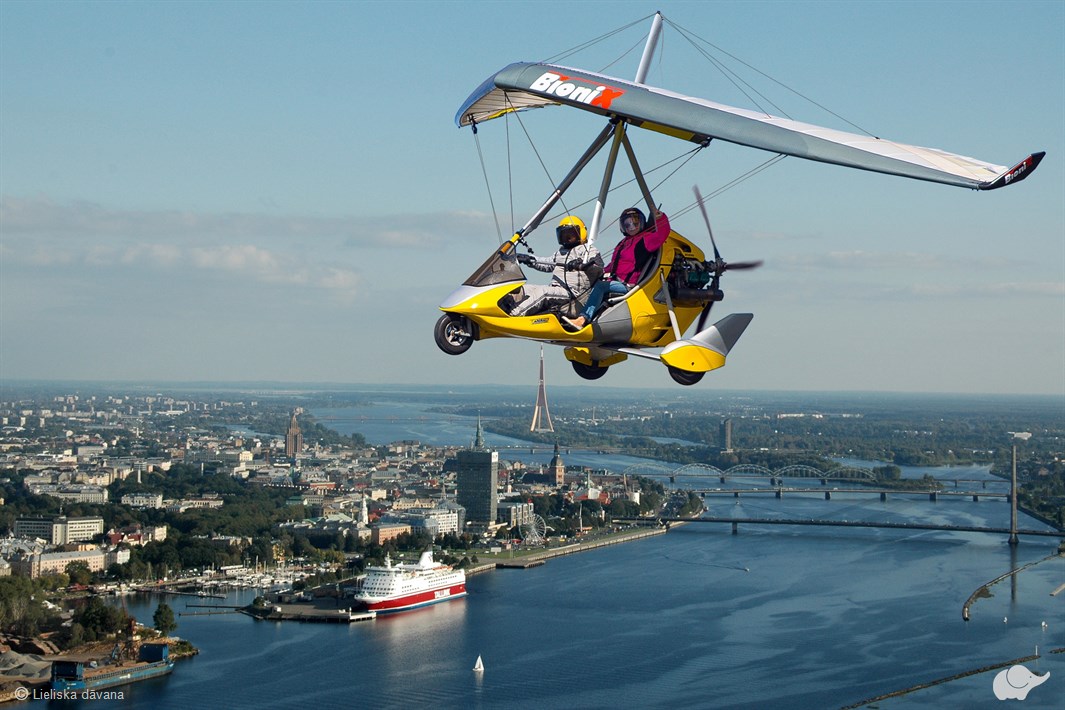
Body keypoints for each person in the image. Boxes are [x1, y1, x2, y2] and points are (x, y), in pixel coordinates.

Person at [562, 206, 670, 330]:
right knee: (589, 281)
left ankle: (583, 319)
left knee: (601, 286)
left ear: (641, 223)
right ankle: (571, 314)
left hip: (628, 285)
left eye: (635, 222)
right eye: (627, 224)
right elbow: (614, 264)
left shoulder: (645, 240)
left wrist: (661, 217)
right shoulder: (624, 243)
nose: (631, 226)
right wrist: (599, 271)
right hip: (615, 280)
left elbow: (662, 234)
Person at [511, 216, 603, 318]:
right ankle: (505, 309)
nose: (567, 238)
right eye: (564, 235)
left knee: (543, 292)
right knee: (524, 289)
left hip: (573, 296)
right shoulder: (561, 252)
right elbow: (548, 264)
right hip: (555, 290)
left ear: (581, 233)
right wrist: (529, 259)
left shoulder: (588, 250)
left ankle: (514, 315)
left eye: (570, 235)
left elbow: (598, 267)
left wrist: (583, 265)